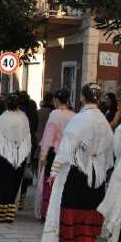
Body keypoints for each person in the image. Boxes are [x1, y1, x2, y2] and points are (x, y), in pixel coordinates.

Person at [41, 83, 113, 242]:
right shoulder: (103, 121)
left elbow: (66, 148)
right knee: (89, 209)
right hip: (96, 174)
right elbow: (109, 151)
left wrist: (54, 171)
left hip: (77, 171)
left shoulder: (80, 119)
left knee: (72, 209)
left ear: (82, 97)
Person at [0, 93, 31, 222]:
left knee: (0, 185)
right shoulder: (24, 118)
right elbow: (28, 139)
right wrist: (27, 158)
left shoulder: (2, 119)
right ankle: (9, 214)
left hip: (2, 157)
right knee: (13, 185)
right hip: (18, 157)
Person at [35, 89, 75, 220]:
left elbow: (48, 136)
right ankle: (62, 212)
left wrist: (43, 155)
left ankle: (48, 212)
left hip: (54, 153)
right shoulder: (73, 115)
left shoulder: (54, 114)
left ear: (56, 100)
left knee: (50, 181)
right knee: (64, 182)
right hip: (69, 154)